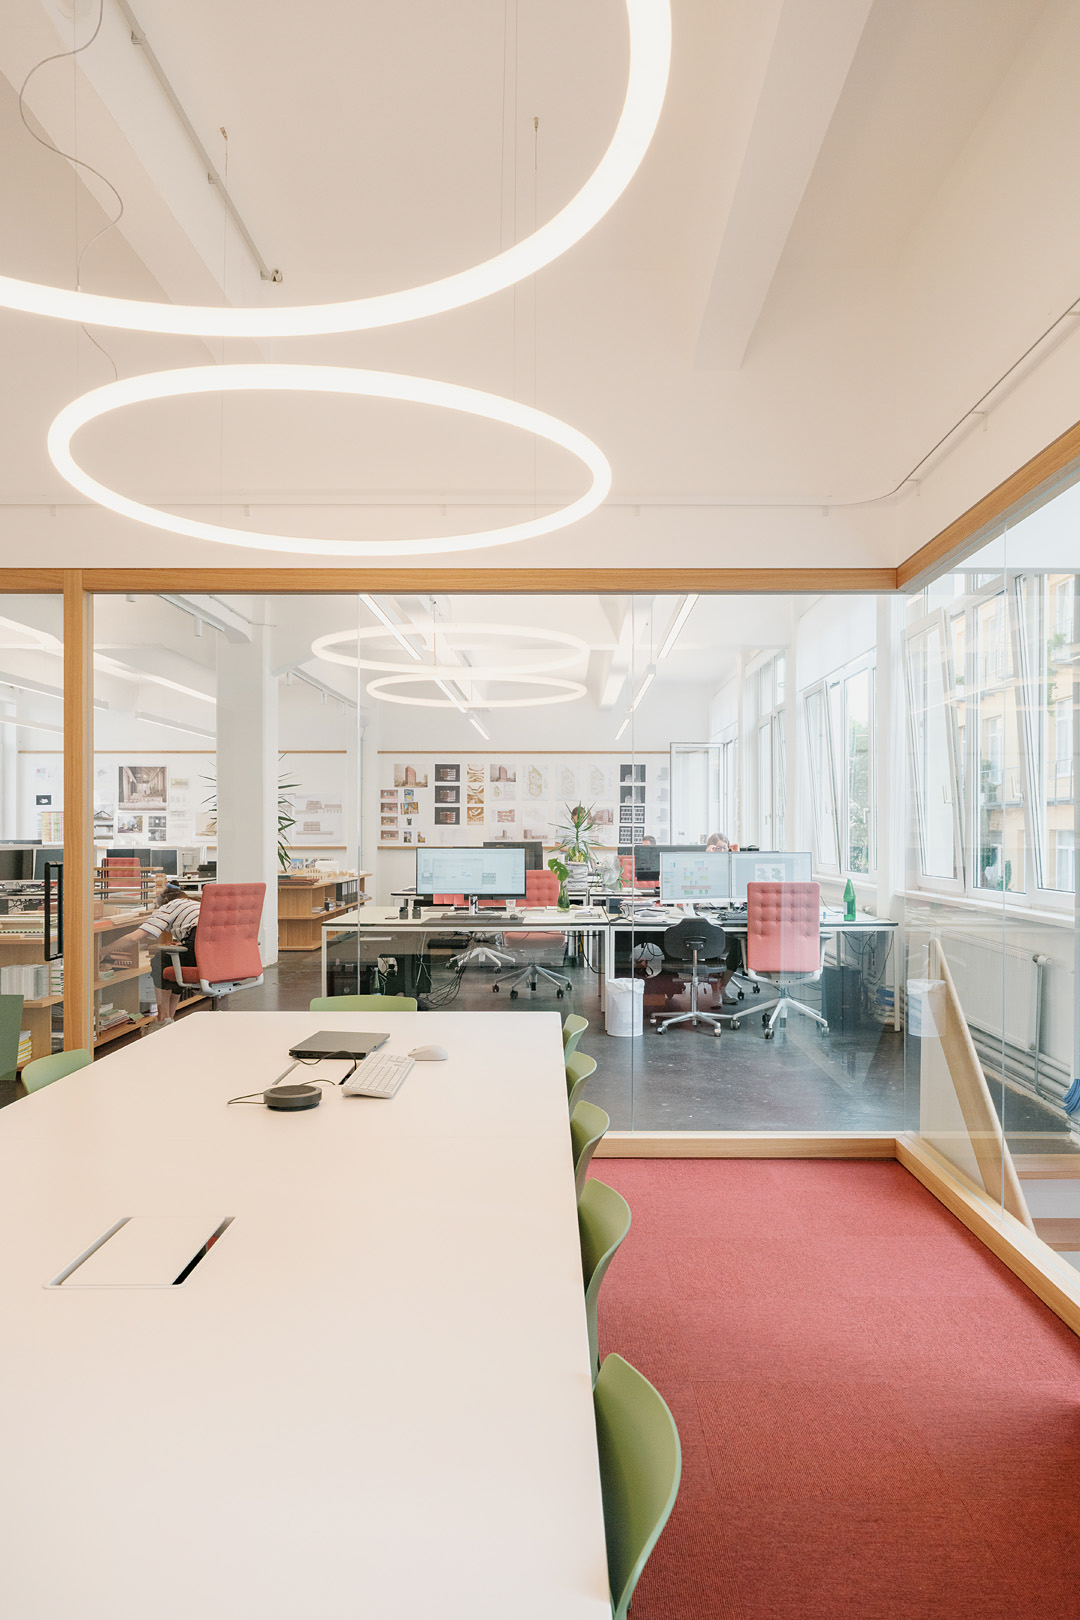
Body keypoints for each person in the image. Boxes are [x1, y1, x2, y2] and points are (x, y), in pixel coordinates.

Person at [102, 882, 201, 1026]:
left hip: (196, 947)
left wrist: (104, 950)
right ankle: (168, 1020)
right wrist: (184, 945)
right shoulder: (196, 904)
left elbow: (133, 938)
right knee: (175, 962)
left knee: (160, 961)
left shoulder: (169, 906)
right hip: (215, 955)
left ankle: (162, 1019)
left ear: (165, 900)